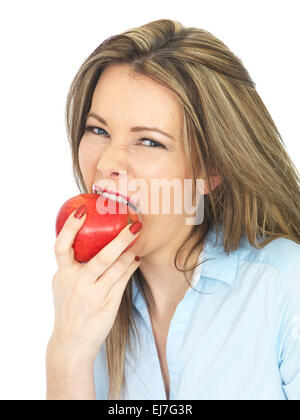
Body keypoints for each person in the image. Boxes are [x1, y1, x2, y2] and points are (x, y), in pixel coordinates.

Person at [46, 19, 300, 400]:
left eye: (148, 141)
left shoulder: (285, 287)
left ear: (211, 170)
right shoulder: (85, 309)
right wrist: (67, 355)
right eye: (98, 130)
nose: (107, 162)